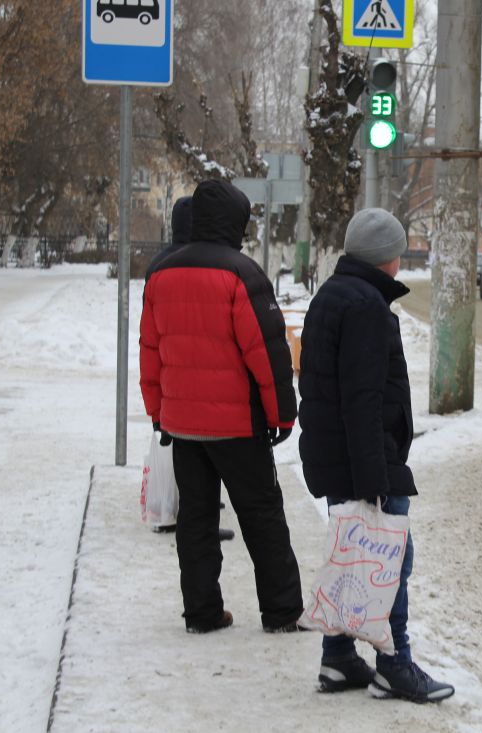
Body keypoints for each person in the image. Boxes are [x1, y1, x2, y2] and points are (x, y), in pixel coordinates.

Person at [298, 208, 454, 704]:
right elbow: (363, 399)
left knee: (352, 556)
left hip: (336, 454)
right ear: (389, 256)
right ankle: (395, 664)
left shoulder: (333, 295)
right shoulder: (366, 305)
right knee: (390, 559)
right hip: (362, 459)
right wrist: (375, 479)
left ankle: (339, 658)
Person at [140, 179, 305, 634]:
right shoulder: (242, 273)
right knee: (262, 514)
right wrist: (282, 414)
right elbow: (268, 354)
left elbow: (150, 350)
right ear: (233, 222)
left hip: (183, 424)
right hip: (237, 425)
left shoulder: (161, 274)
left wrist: (159, 412)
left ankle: (202, 613)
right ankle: (282, 610)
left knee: (196, 518)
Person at [145, 195, 235, 543]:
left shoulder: (160, 264)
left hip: (171, 374)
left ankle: (170, 508)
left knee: (174, 449)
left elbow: (150, 330)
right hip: (205, 379)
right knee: (202, 458)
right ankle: (193, 517)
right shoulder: (211, 263)